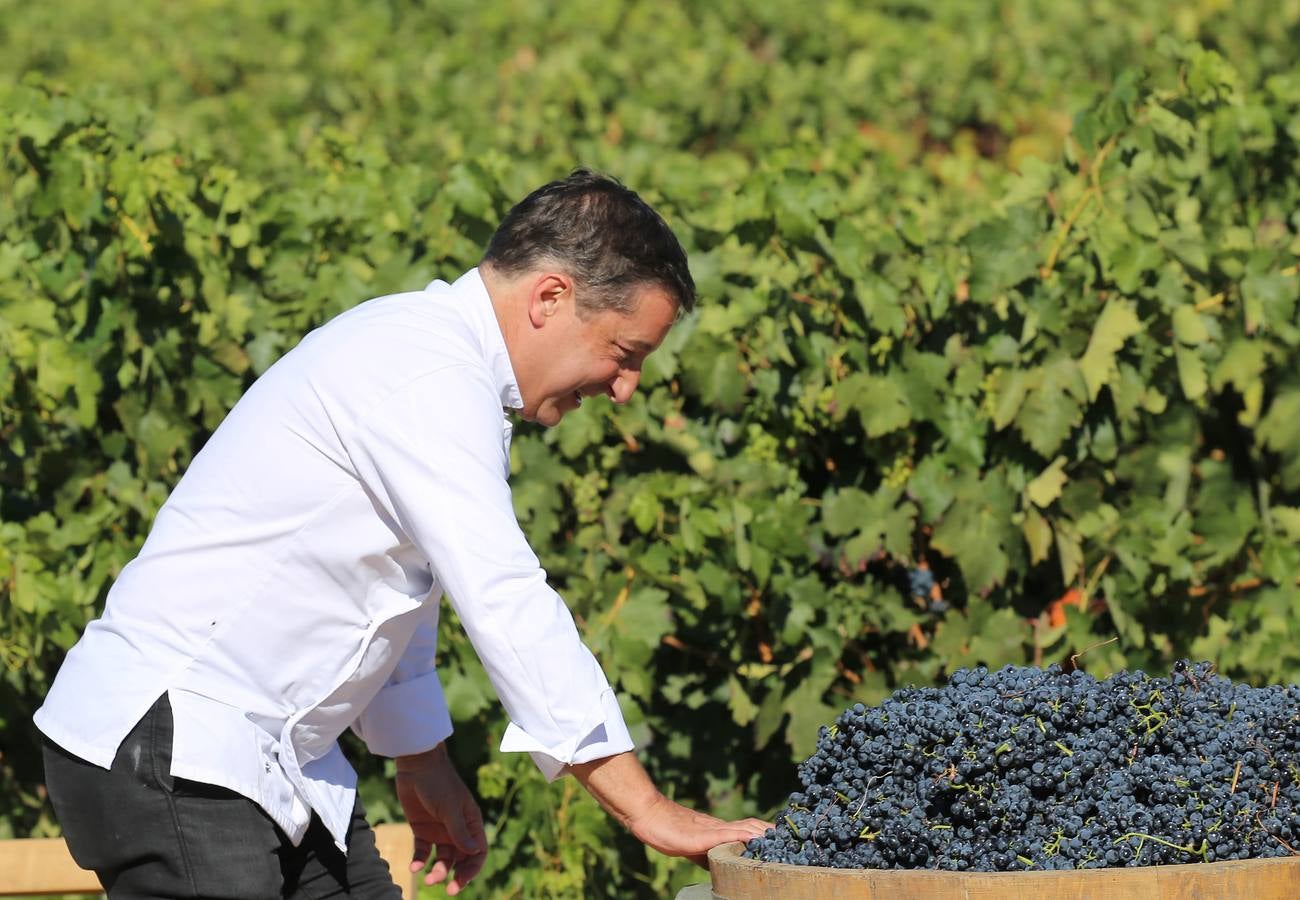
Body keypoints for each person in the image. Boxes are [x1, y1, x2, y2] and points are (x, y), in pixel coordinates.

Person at [35, 170, 770, 898]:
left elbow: (397, 580)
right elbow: (502, 593)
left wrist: (421, 756)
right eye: (626, 352)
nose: (625, 388)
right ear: (552, 296)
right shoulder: (427, 370)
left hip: (262, 758)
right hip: (178, 746)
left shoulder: (441, 369)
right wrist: (646, 809)